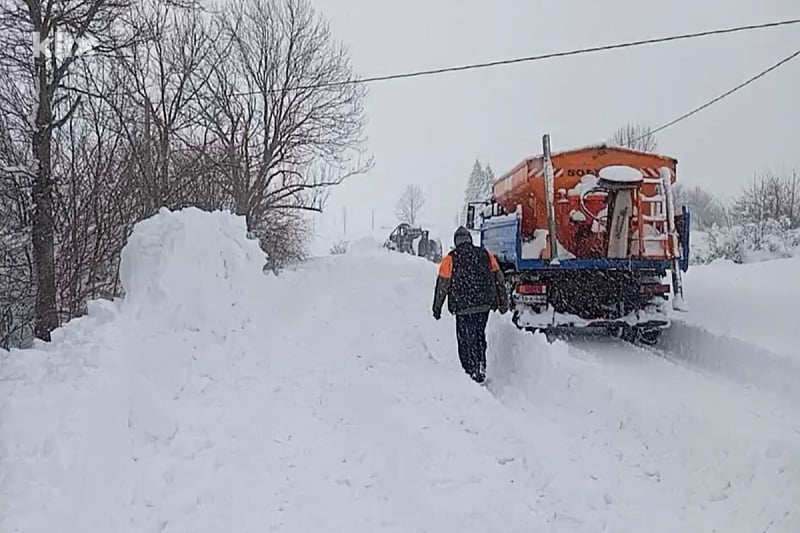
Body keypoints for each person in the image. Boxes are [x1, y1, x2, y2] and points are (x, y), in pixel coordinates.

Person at [432, 227, 509, 383]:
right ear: (469, 239)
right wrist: (503, 302)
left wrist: (437, 308)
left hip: (462, 307)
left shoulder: (450, 258)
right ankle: (480, 365)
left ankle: (470, 371)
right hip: (484, 305)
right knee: (479, 334)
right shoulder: (485, 255)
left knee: (465, 338)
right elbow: (499, 279)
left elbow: (442, 285)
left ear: (456, 242)